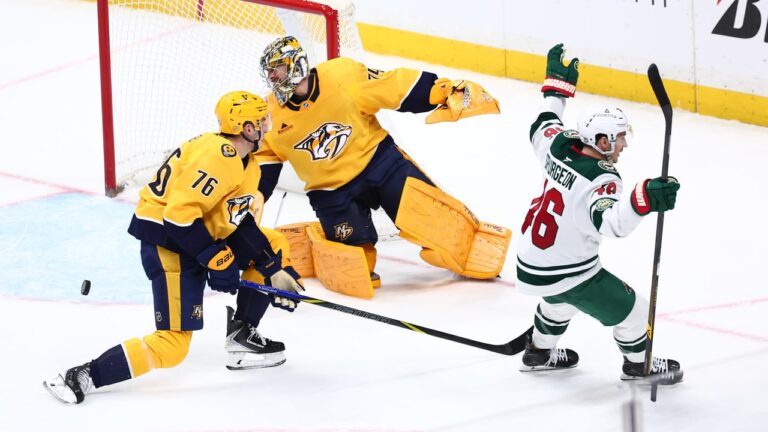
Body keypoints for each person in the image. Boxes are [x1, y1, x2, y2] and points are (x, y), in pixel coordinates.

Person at [43, 91, 305, 404]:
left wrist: (272, 269)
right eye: (262, 120)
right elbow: (178, 217)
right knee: (173, 345)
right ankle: (83, 376)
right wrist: (216, 259)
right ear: (247, 128)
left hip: (192, 233)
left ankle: (242, 336)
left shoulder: (246, 163)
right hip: (167, 241)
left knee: (272, 243)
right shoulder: (219, 156)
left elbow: (236, 221)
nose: (267, 125)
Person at [255, 36, 512, 299]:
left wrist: (440, 91)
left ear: (295, 64)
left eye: (277, 68)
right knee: (355, 265)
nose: (272, 76)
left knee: (438, 224)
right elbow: (265, 157)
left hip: (380, 164)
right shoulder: (270, 115)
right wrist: (257, 194)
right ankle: (322, 239)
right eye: (269, 71)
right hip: (330, 191)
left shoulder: (342, 75)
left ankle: (475, 250)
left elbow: (392, 86)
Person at [515, 44, 683, 384]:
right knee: (636, 311)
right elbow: (611, 224)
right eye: (619, 138)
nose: (624, 144)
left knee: (561, 300)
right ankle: (639, 366)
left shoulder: (558, 144)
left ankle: (539, 352)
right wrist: (643, 197)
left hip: (531, 260)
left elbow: (543, 124)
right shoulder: (601, 178)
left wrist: (556, 91)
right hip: (566, 268)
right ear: (603, 141)